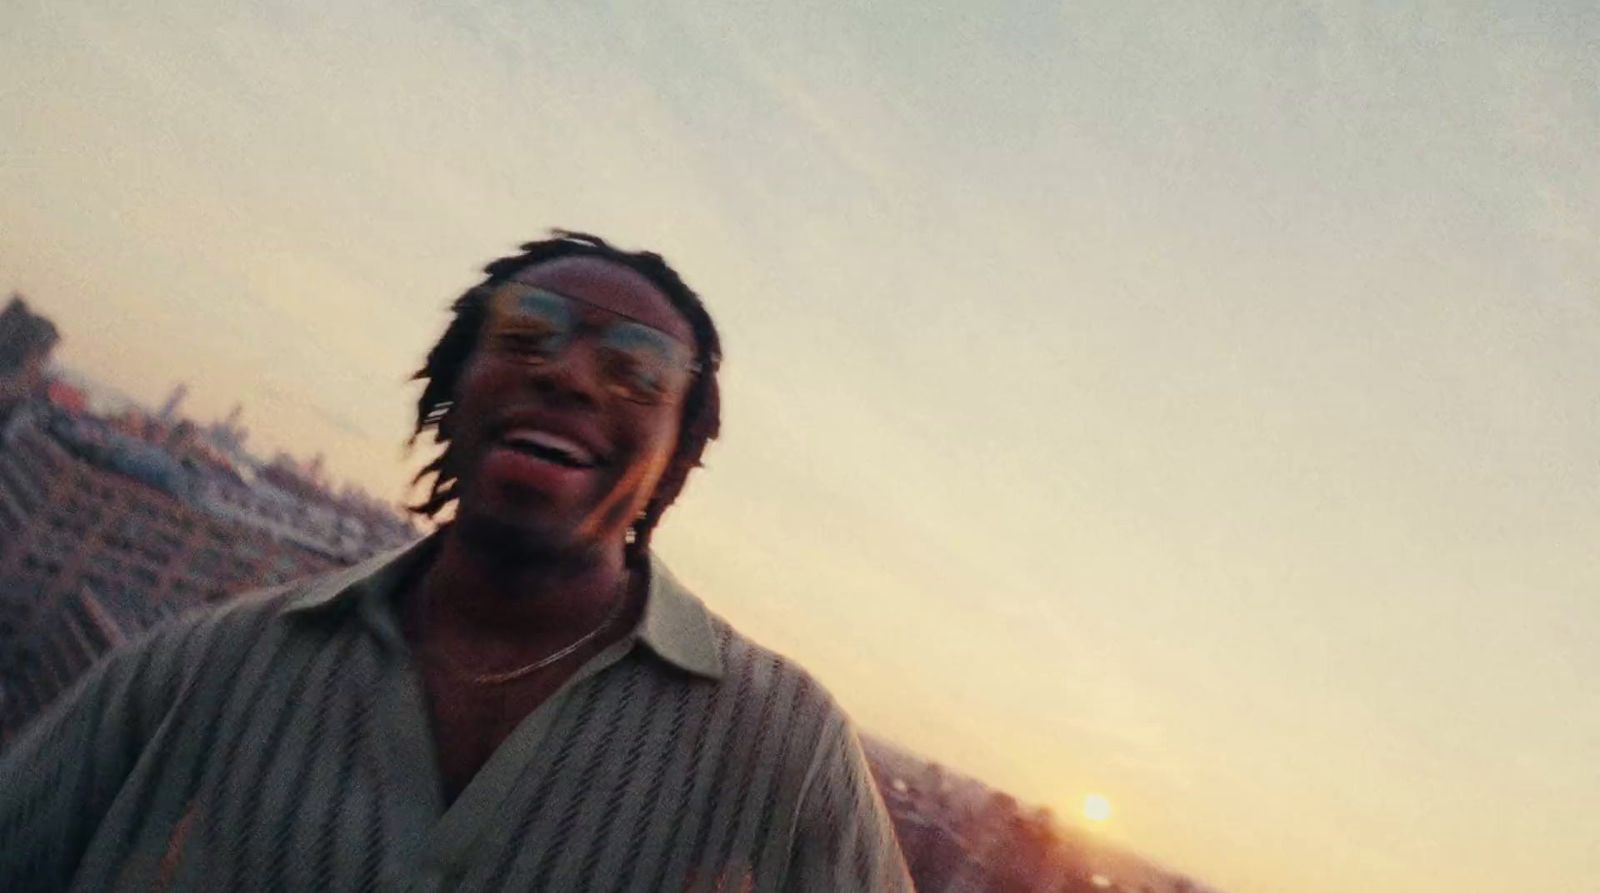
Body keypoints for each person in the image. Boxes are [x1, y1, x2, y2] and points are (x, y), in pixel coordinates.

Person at [0, 231, 915, 892]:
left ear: (675, 455)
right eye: (526, 334)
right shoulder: (212, 663)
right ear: (454, 386)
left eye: (638, 369)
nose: (568, 376)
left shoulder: (783, 745)